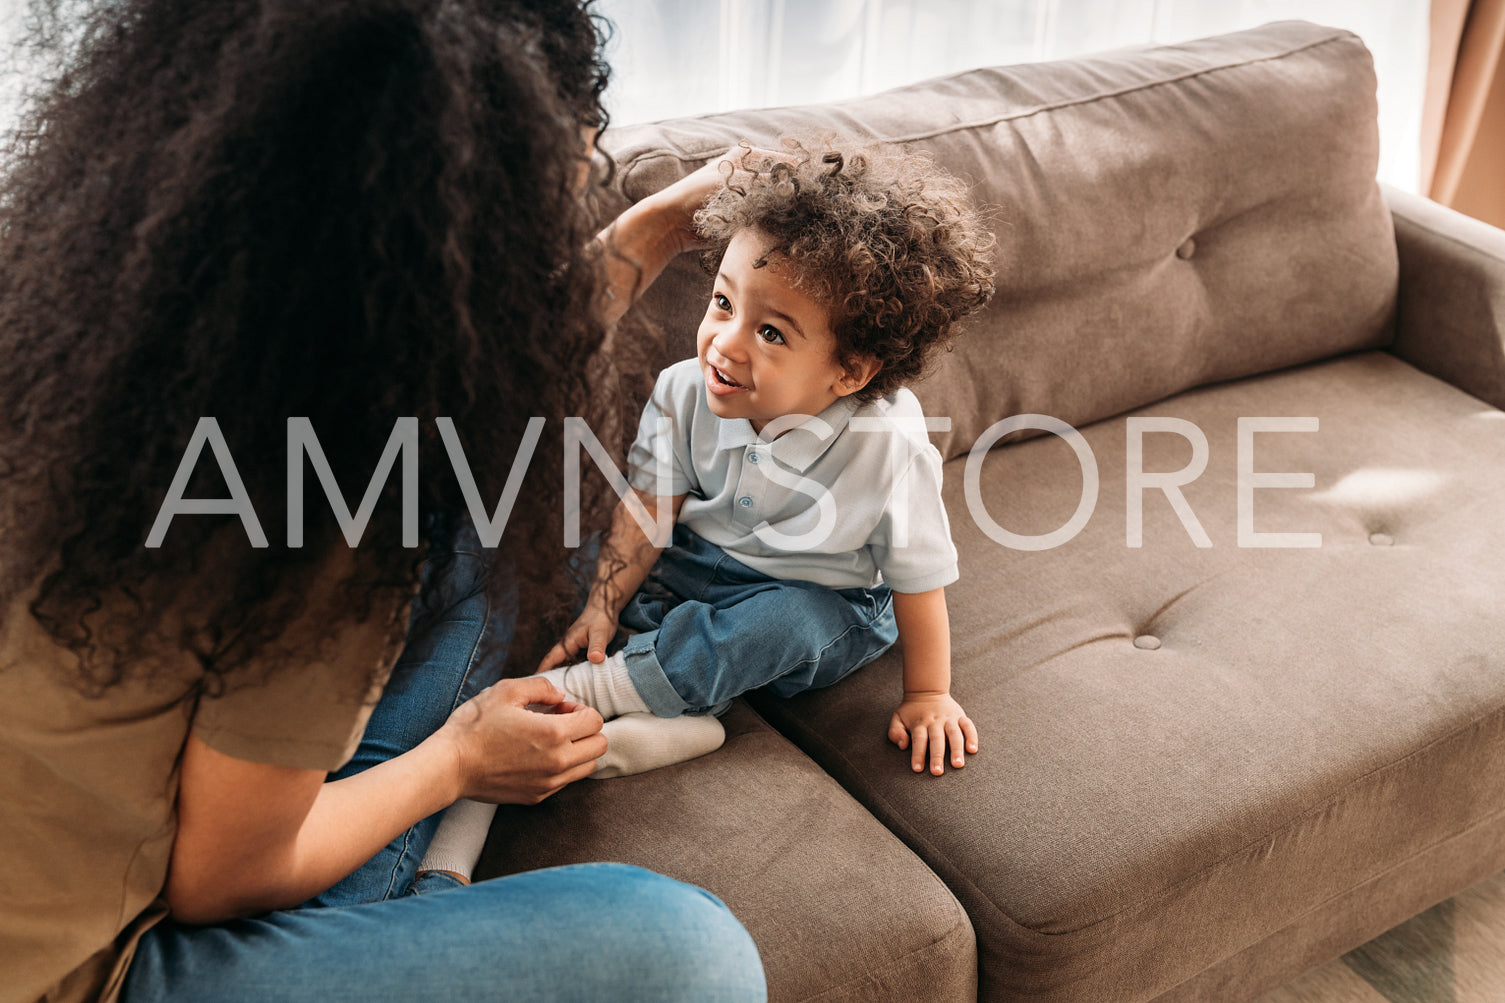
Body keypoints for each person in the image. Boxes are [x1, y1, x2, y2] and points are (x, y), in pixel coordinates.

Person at [0, 1, 766, 1000]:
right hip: (88, 968)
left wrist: (656, 225)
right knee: (687, 955)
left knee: (477, 529)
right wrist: (458, 762)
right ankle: (404, 898)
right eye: (554, 206)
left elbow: (481, 381)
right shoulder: (319, 501)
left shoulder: (107, 319)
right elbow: (216, 878)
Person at [534, 146, 996, 778]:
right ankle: (685, 715)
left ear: (850, 371)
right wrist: (603, 604)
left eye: (771, 333)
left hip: (820, 594)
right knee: (583, 564)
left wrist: (928, 695)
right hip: (695, 560)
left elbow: (919, 580)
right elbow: (648, 506)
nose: (724, 342)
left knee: (781, 627)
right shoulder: (682, 390)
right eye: (724, 303)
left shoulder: (889, 446)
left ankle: (599, 695)